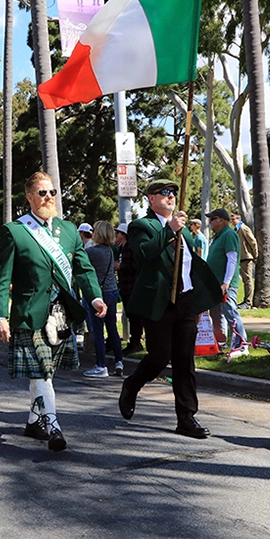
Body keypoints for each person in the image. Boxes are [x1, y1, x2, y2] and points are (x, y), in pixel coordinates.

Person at [0, 172, 106, 452]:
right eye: (42, 193)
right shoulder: (15, 231)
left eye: (52, 192)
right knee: (42, 372)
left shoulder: (68, 231)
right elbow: (2, 277)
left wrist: (95, 298)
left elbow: (83, 269)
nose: (49, 197)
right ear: (29, 197)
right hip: (31, 314)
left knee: (46, 374)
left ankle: (34, 422)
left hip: (62, 315)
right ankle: (53, 426)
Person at [118, 179, 221, 439]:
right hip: (159, 303)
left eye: (173, 192)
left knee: (185, 360)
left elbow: (189, 266)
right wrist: (169, 231)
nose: (171, 196)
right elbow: (145, 255)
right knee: (159, 357)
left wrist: (198, 302)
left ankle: (186, 417)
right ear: (151, 199)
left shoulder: (184, 230)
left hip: (185, 300)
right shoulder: (141, 225)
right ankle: (132, 385)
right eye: (164, 193)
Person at [82, 221, 123, 378]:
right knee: (112, 328)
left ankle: (101, 365)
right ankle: (119, 361)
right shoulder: (110, 251)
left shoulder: (91, 252)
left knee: (98, 330)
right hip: (111, 290)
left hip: (98, 293)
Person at [206, 208, 247, 348]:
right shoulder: (218, 236)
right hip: (215, 283)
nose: (210, 222)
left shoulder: (229, 234)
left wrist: (226, 282)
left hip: (225, 284)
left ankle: (241, 345)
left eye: (212, 219)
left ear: (221, 220)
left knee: (230, 313)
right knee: (216, 315)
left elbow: (232, 259)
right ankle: (220, 343)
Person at [116, 223, 144, 355]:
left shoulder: (130, 247)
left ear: (123, 234)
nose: (116, 235)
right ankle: (135, 341)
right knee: (131, 315)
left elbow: (133, 266)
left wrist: (120, 266)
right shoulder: (123, 247)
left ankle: (135, 342)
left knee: (134, 316)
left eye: (118, 233)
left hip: (131, 286)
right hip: (126, 286)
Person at [230, 213, 258, 308]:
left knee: (247, 280)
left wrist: (255, 256)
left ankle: (248, 302)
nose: (232, 221)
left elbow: (253, 242)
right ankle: (245, 301)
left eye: (234, 219)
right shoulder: (237, 229)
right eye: (231, 219)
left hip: (246, 257)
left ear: (239, 219)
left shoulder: (243, 228)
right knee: (245, 280)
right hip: (240, 257)